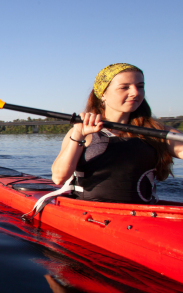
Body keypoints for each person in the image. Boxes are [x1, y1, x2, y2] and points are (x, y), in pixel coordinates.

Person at [51, 63, 183, 203]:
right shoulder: (82, 132)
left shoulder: (158, 132)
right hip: (90, 214)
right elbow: (59, 177)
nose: (135, 92)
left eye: (140, 86)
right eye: (124, 87)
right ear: (103, 94)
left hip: (144, 214)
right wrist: (78, 133)